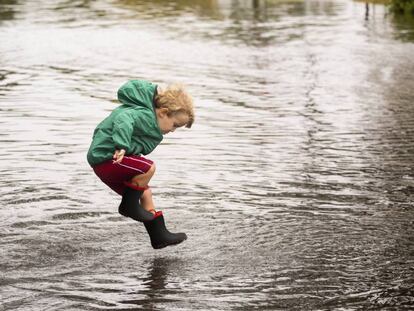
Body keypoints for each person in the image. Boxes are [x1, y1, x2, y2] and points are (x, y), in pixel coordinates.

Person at [87, 79, 194, 249]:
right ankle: (128, 206)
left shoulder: (152, 121)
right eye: (175, 125)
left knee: (146, 194)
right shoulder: (146, 115)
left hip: (108, 161)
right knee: (148, 168)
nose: (173, 130)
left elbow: (138, 142)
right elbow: (123, 118)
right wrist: (121, 145)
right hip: (106, 157)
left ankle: (158, 235)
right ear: (163, 112)